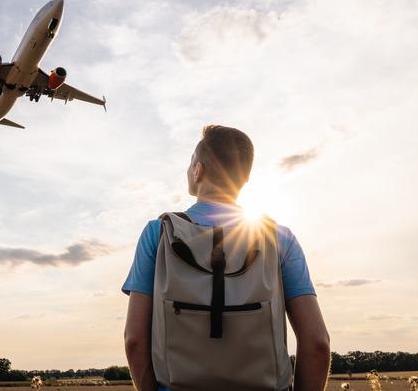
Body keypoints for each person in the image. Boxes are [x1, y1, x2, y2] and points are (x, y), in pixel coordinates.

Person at [122, 125, 330, 391]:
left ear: (198, 170)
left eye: (190, 163)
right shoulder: (280, 237)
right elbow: (317, 343)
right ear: (244, 178)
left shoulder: (158, 233)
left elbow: (135, 340)